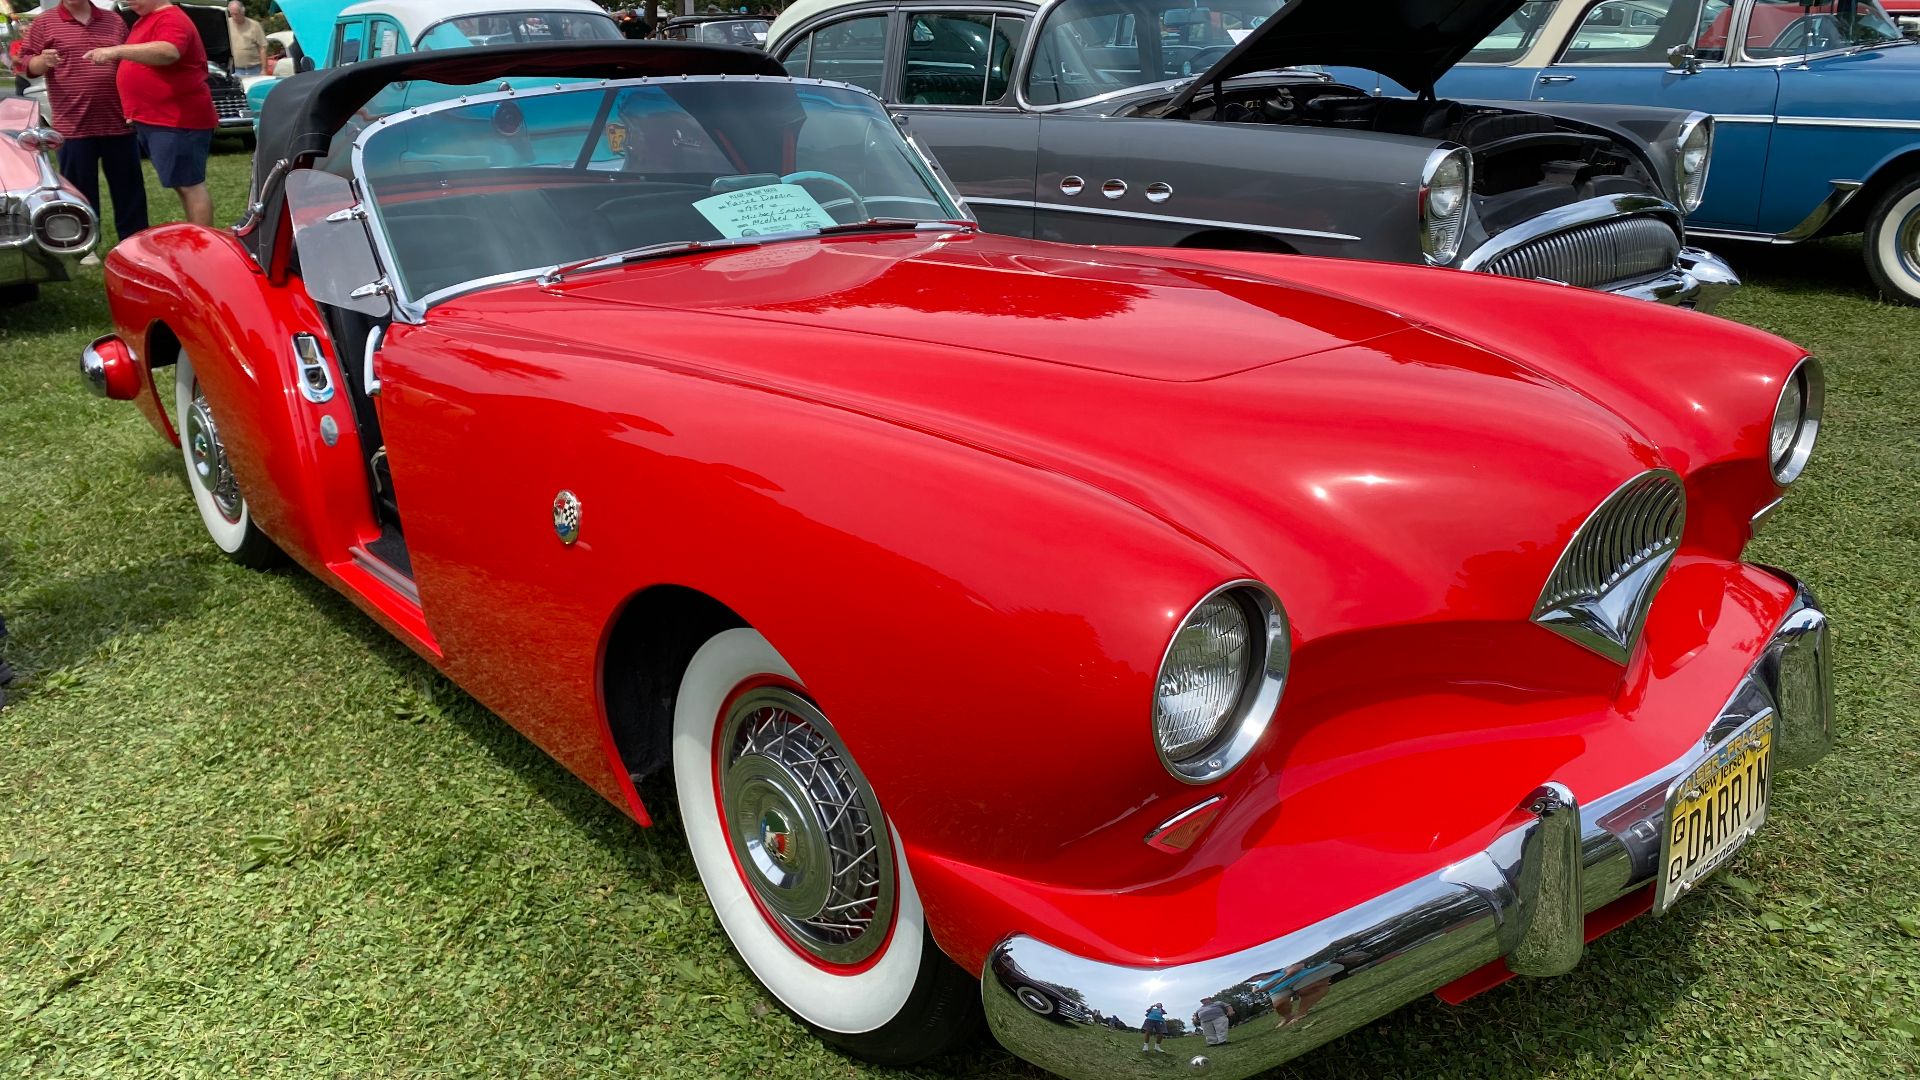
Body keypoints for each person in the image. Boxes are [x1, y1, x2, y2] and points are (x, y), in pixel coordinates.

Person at [12, 0, 150, 246]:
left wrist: (136, 104)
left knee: (129, 190)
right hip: (73, 124)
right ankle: (84, 244)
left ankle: (134, 243)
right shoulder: (45, 22)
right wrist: (41, 61)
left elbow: (131, 63)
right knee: (79, 192)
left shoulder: (113, 20)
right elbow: (23, 64)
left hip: (118, 121)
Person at [86, 0, 216, 227]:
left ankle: (203, 240)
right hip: (160, 119)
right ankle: (197, 235)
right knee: (182, 185)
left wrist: (116, 51)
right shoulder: (146, 20)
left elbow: (168, 51)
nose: (128, 2)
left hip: (177, 119)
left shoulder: (170, 18)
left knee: (190, 186)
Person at [225, 0, 265, 77]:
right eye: (232, 14)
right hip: (235, 70)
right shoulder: (227, 24)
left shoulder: (255, 25)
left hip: (254, 69)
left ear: (243, 12)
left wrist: (264, 69)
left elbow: (262, 48)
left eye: (236, 14)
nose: (234, 17)